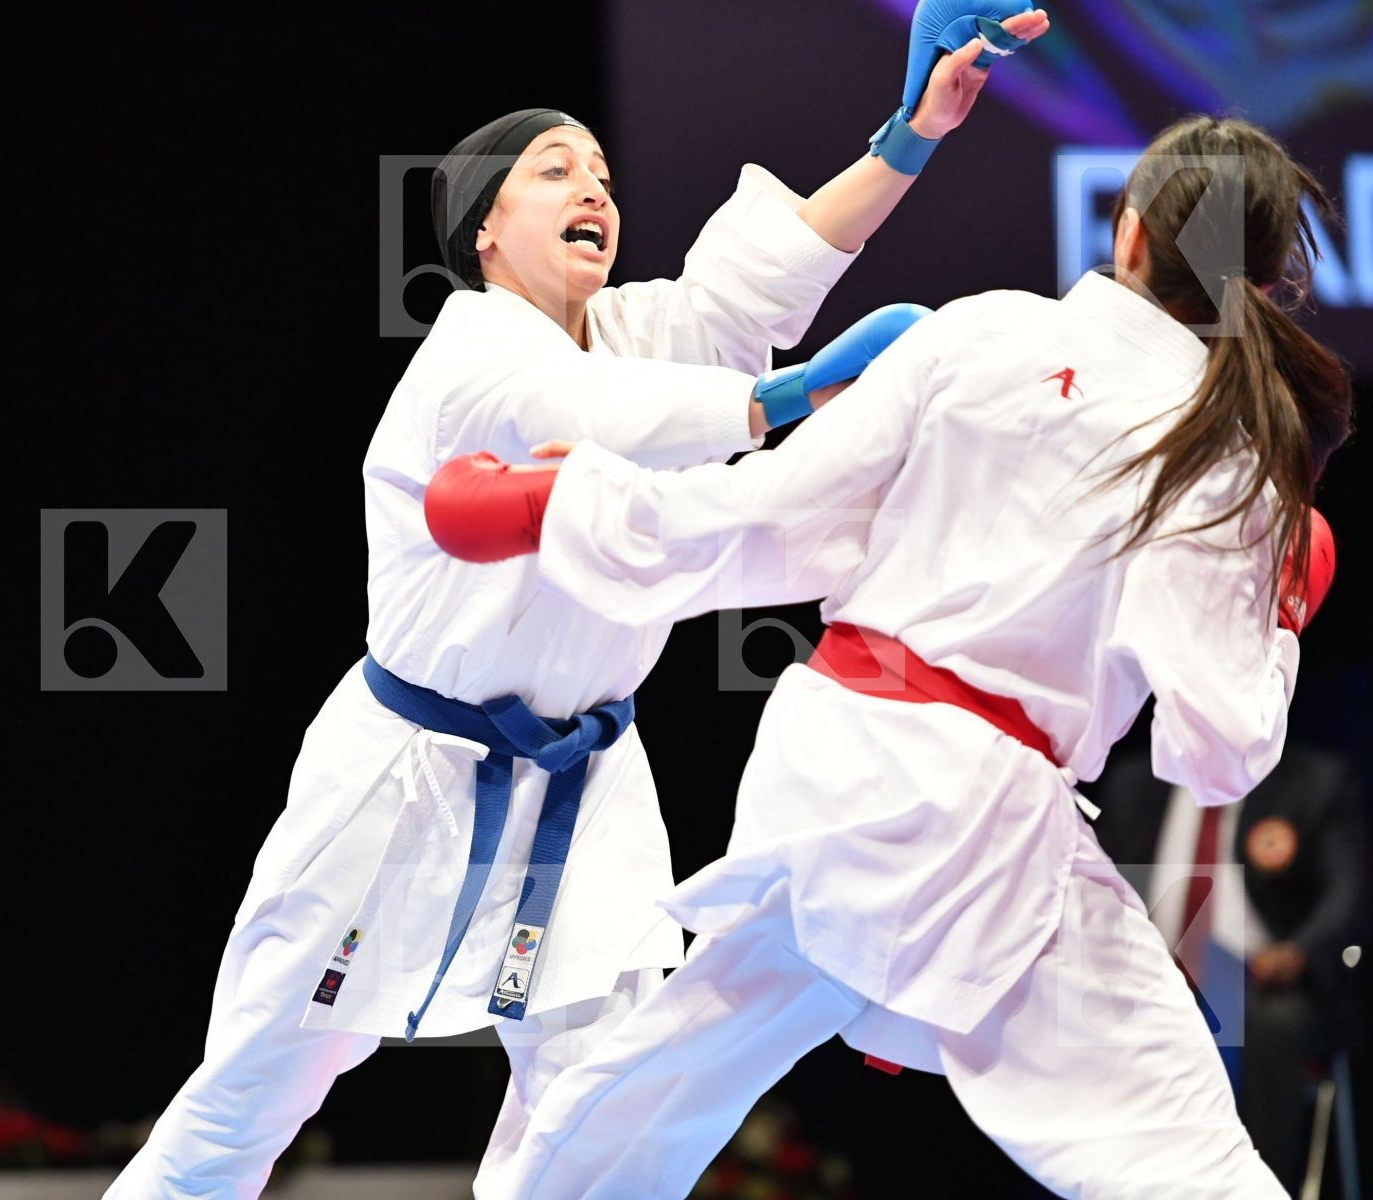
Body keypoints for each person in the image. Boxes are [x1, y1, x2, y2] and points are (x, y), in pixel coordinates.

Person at [105, 4, 1053, 1196]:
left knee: (595, 1103)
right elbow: (601, 422)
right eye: (553, 170)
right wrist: (787, 400)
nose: (591, 185)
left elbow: (754, 286)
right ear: (486, 227)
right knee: (249, 1095)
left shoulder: (634, 331)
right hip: (403, 778)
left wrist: (909, 135)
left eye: (601, 171)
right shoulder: (471, 351)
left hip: (590, 782)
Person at [424, 114, 1353, 1197]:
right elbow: (1217, 758)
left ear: (1131, 230)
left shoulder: (980, 333)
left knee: (649, 1092)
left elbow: (768, 515)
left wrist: (571, 499)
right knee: (1182, 1155)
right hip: (977, 826)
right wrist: (1281, 621)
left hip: (833, 766)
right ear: (1262, 277)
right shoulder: (1223, 454)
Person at [1093, 739, 1368, 1192]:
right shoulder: (1135, 783)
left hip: (1262, 983)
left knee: (1272, 1023)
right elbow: (1095, 887)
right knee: (1081, 1011)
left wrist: (1299, 951)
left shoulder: (1315, 781)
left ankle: (1254, 1187)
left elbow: (1349, 895)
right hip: (1152, 976)